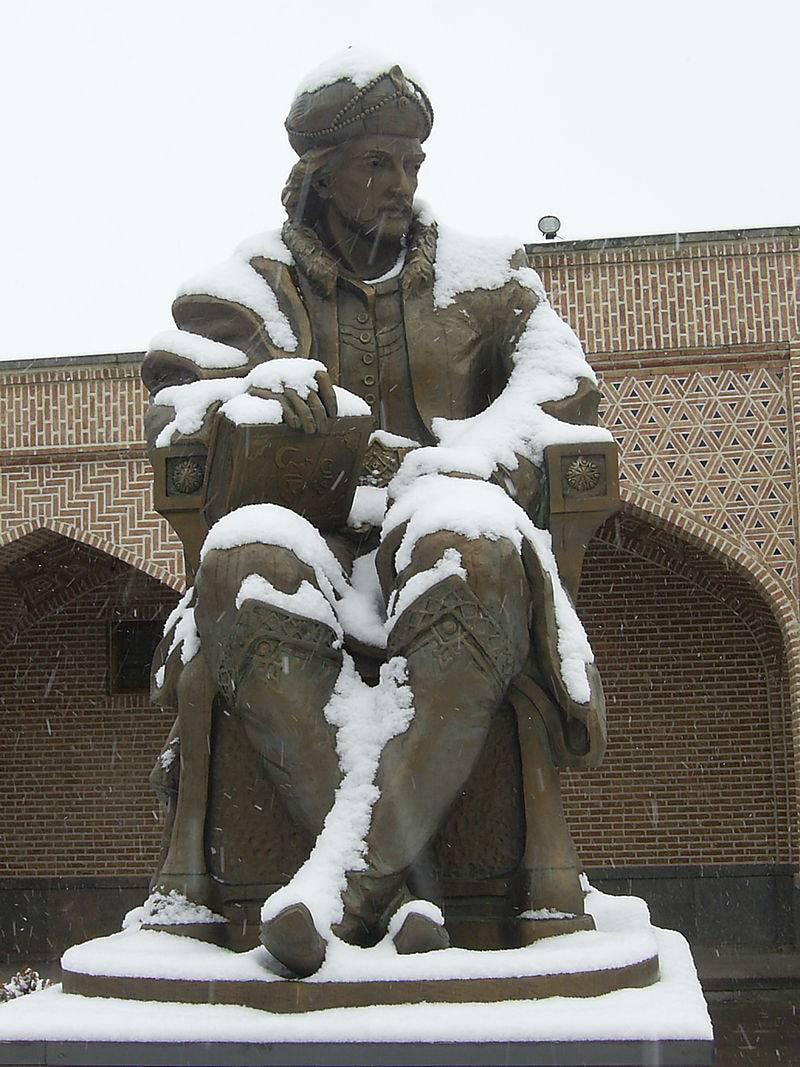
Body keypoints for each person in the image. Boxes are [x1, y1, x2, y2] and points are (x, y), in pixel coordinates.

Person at [142, 53, 611, 979]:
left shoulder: (488, 279)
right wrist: (251, 396)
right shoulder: (249, 287)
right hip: (312, 532)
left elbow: (563, 386)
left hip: (435, 513)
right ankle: (394, 897)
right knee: (242, 560)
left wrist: (472, 456)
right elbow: (174, 407)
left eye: (412, 164)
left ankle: (345, 891)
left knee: (471, 547)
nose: (402, 184)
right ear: (320, 177)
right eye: (377, 165)